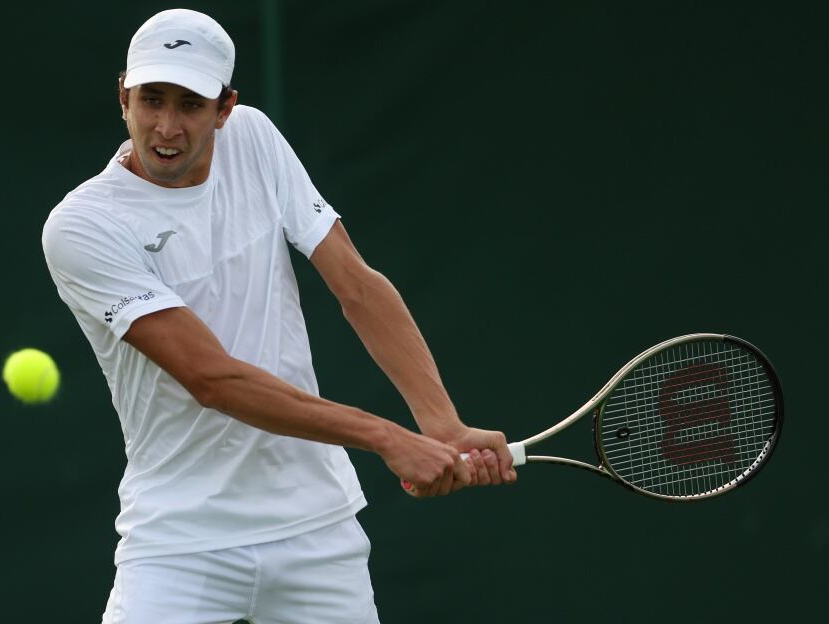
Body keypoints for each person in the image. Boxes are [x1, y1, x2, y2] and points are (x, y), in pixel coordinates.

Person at [41, 8, 516, 624]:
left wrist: (441, 424)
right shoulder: (82, 226)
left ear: (225, 109)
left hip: (316, 532)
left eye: (190, 104)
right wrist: (385, 436)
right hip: (180, 540)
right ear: (124, 97)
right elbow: (211, 379)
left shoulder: (256, 140)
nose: (166, 126)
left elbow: (358, 287)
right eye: (151, 100)